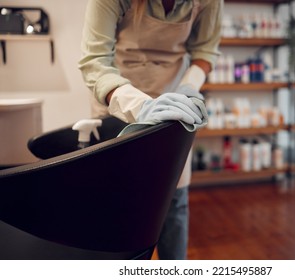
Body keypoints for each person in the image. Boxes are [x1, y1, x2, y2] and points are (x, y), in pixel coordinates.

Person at [78, 0, 222, 259]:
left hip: (174, 101)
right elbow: (94, 61)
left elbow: (205, 51)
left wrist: (188, 89)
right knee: (119, 205)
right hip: (120, 100)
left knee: (174, 202)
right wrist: (141, 106)